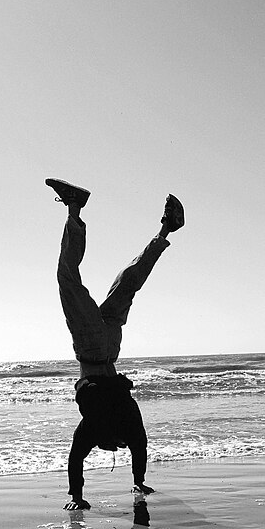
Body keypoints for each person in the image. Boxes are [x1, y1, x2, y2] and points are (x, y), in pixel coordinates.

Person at [46, 178, 185, 510]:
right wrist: (76, 497)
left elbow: (140, 445)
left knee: (128, 282)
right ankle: (74, 207)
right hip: (92, 349)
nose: (116, 448)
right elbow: (76, 457)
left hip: (111, 346)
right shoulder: (95, 426)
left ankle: (167, 229)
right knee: (68, 278)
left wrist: (138, 482)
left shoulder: (127, 422)